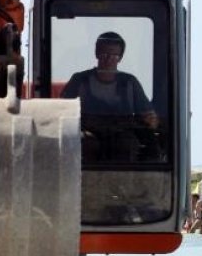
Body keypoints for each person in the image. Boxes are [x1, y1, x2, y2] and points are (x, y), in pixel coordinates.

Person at [61, 31, 157, 161]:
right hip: (87, 137)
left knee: (126, 144)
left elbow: (150, 117)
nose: (108, 60)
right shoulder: (79, 80)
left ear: (120, 58)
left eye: (114, 56)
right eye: (104, 54)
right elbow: (61, 112)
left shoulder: (130, 83)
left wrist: (151, 120)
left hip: (122, 140)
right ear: (96, 54)